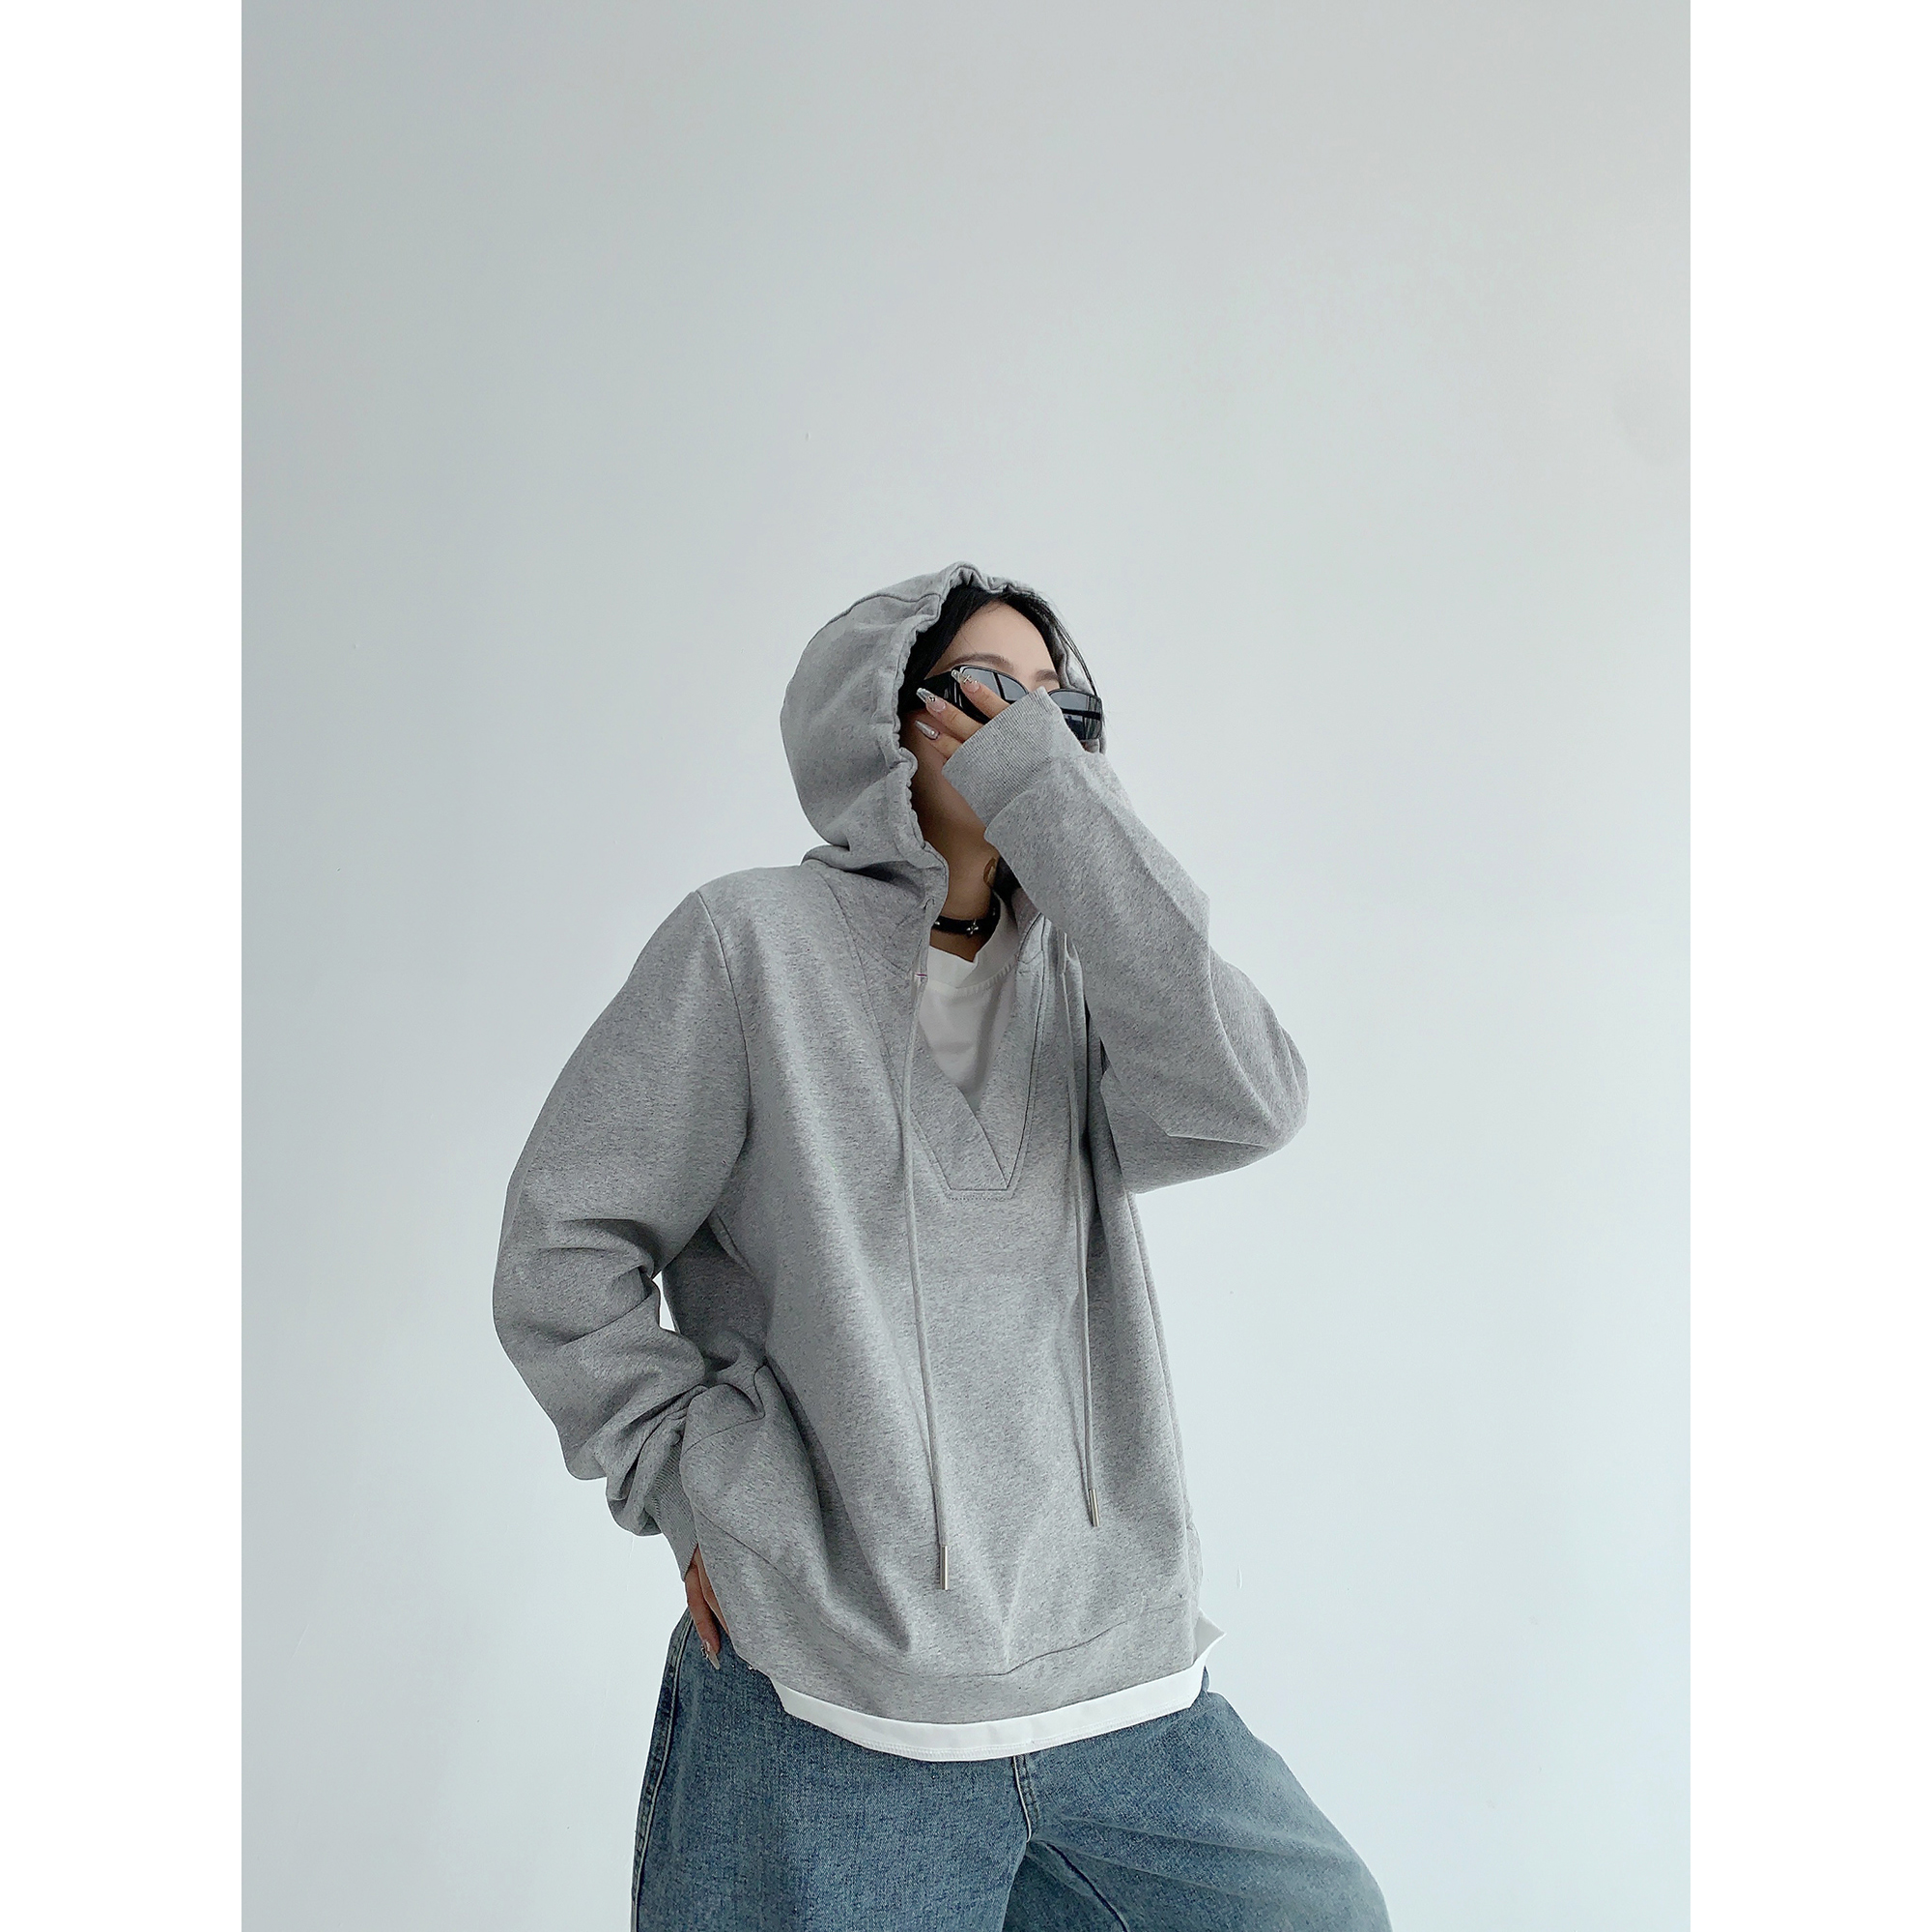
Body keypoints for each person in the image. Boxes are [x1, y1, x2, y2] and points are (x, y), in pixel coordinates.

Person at [494, 564, 1390, 1929]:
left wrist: (1067, 813)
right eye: (985, 693)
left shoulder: (1088, 982)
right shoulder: (748, 945)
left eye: (1059, 707)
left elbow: (1247, 1100)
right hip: (834, 1698)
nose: (1027, 728)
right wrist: (696, 1482)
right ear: (882, 723)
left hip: (1118, 1685)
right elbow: (564, 1248)